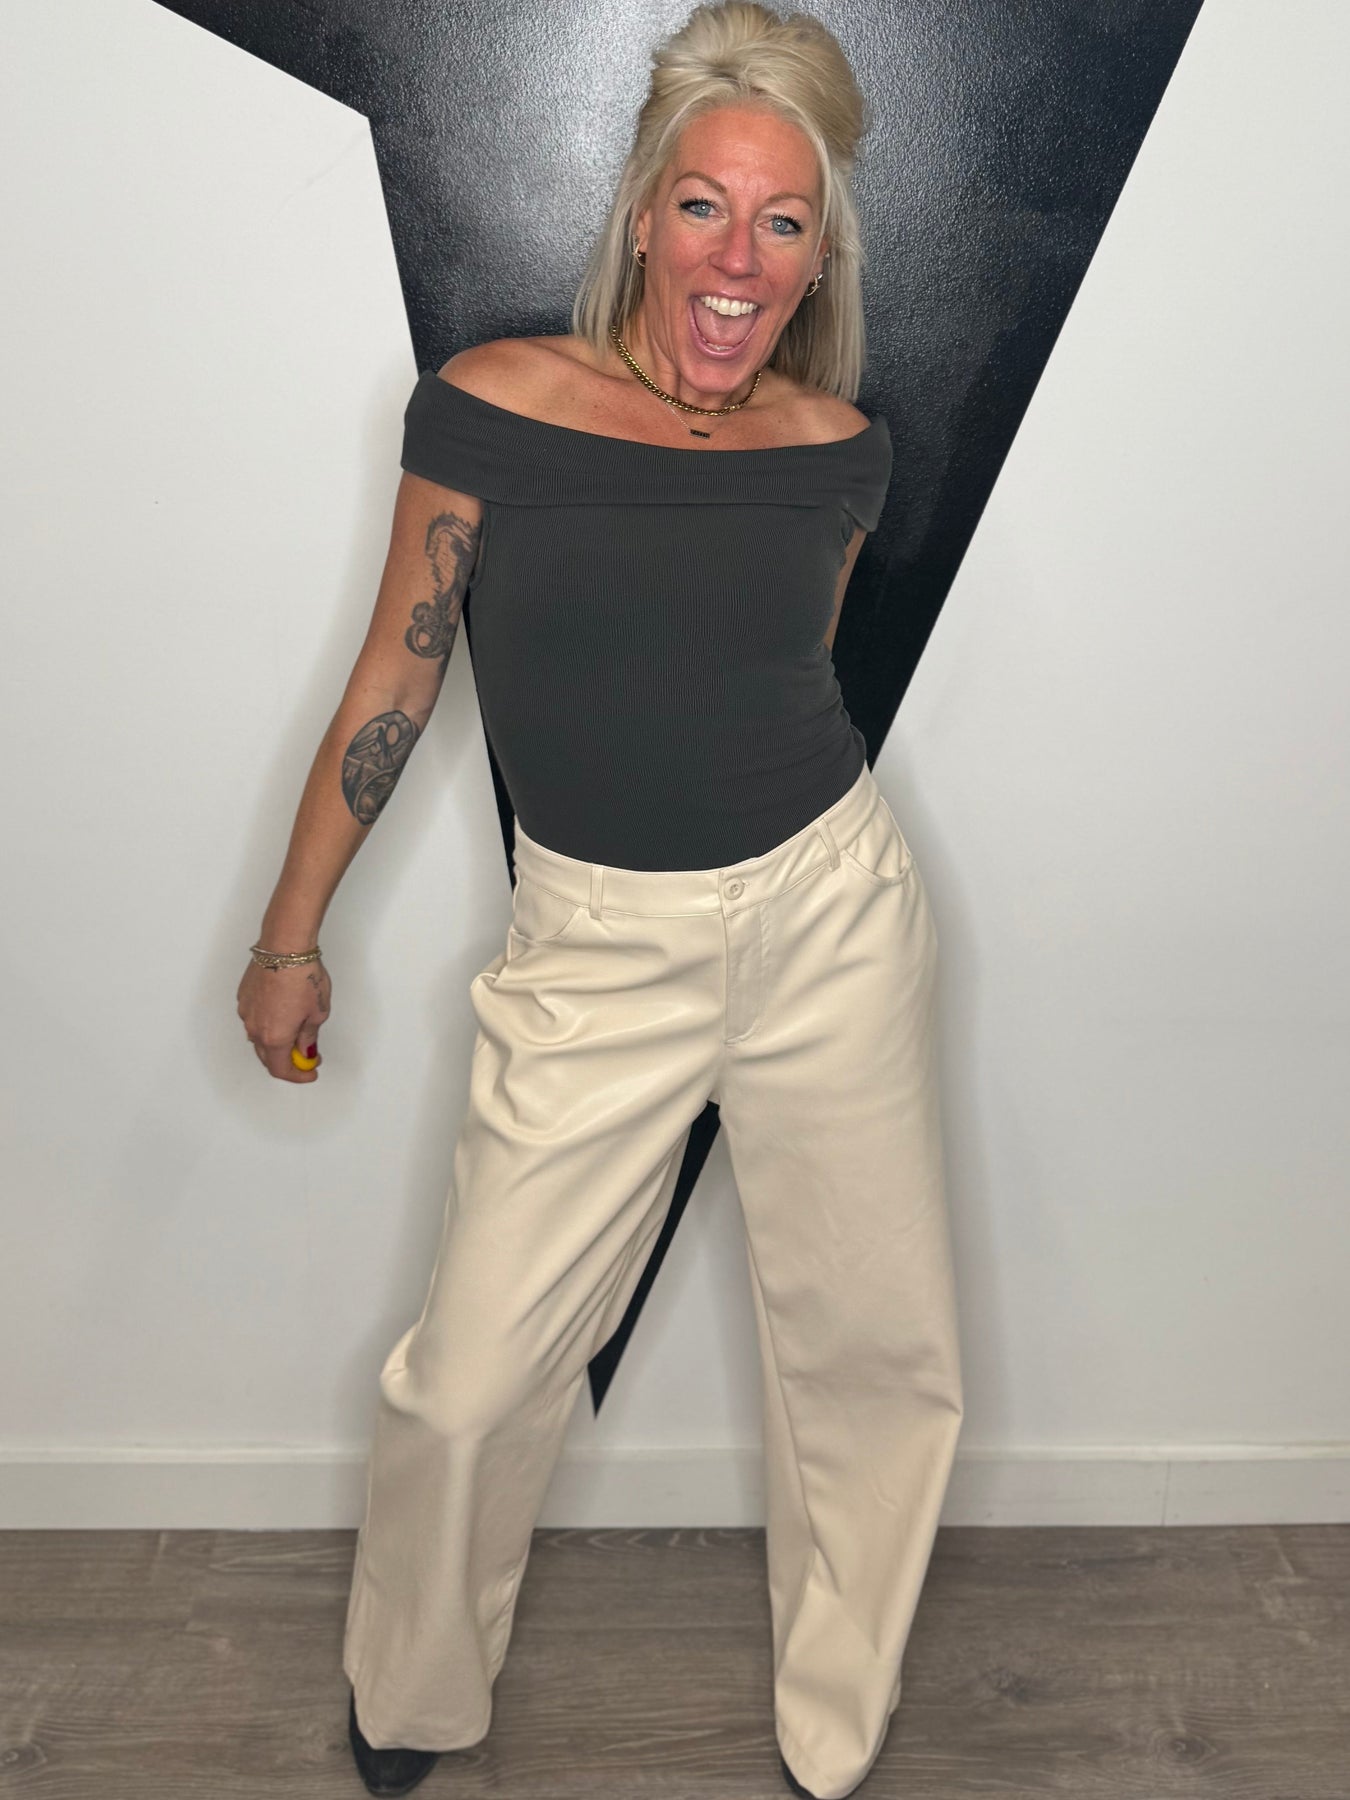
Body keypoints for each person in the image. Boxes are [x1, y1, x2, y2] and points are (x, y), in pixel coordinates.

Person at [236, 3, 963, 1795]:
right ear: (643, 215)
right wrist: (288, 934)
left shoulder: (837, 447)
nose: (736, 259)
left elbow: (775, 672)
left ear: (816, 258)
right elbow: (396, 675)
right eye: (704, 207)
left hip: (829, 915)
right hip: (596, 945)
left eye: (781, 223)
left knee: (875, 1352)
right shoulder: (494, 407)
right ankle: (414, 1698)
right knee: (468, 1379)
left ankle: (834, 1720)